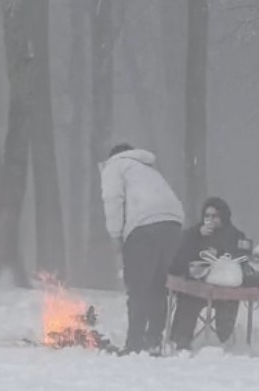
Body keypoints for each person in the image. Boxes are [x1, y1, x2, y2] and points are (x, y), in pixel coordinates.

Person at [99, 143, 184, 354]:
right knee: (157, 285)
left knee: (138, 286)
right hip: (173, 224)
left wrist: (115, 235)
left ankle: (134, 344)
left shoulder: (115, 166)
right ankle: (154, 339)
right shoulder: (148, 169)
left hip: (144, 227)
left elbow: (112, 200)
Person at [168, 197, 250, 351]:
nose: (210, 220)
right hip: (197, 283)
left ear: (223, 217)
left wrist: (219, 253)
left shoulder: (235, 235)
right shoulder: (194, 233)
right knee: (187, 299)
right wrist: (196, 236)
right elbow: (179, 256)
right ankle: (182, 341)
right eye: (207, 216)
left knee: (229, 302)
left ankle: (225, 341)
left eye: (215, 216)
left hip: (224, 284)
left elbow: (242, 257)